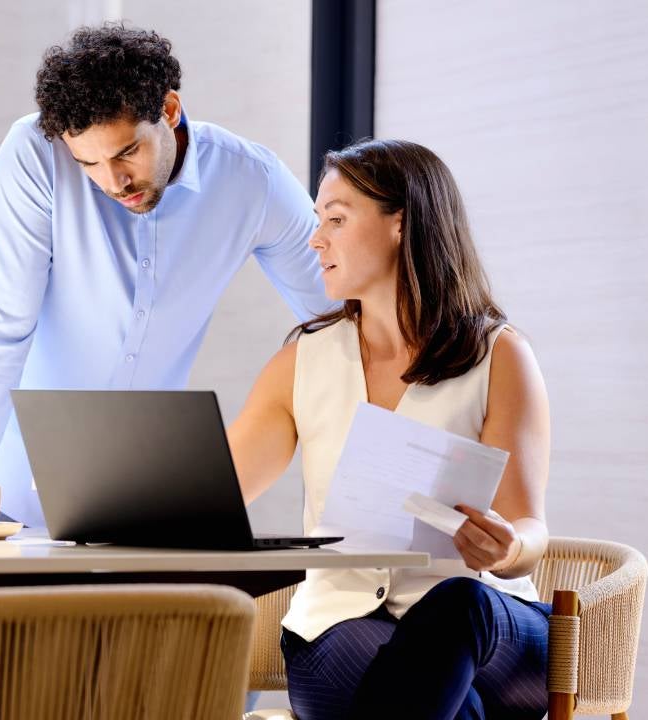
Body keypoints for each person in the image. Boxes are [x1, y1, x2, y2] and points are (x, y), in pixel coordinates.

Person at [0, 24, 331, 527]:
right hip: (7, 496)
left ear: (169, 110)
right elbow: (0, 330)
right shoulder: (35, 153)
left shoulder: (251, 181)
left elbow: (340, 316)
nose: (112, 182)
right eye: (87, 163)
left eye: (126, 153)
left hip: (141, 498)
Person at [227, 139, 553, 719]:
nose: (315, 239)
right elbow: (218, 496)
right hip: (340, 623)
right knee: (448, 700)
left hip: (487, 622)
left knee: (458, 605)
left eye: (335, 219)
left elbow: (529, 529)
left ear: (401, 224)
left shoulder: (499, 356)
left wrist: (507, 549)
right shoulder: (302, 362)